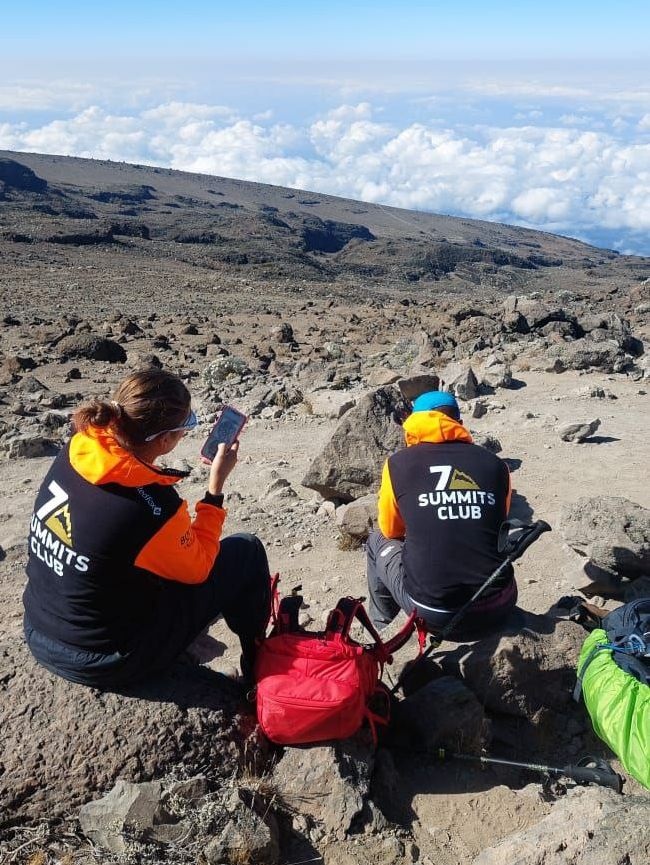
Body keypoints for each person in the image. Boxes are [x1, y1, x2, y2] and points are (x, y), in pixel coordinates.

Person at [23, 368, 270, 689]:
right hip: (105, 659)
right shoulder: (152, 507)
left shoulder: (78, 448)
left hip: (38, 630)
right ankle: (258, 669)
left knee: (142, 557)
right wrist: (215, 491)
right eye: (186, 426)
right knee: (246, 552)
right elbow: (200, 569)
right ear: (166, 439)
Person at [366, 390, 515, 639]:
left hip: (435, 614)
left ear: (414, 422)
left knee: (376, 539)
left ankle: (382, 631)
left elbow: (391, 530)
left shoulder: (398, 464)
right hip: (499, 604)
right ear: (460, 423)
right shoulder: (496, 464)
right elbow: (498, 521)